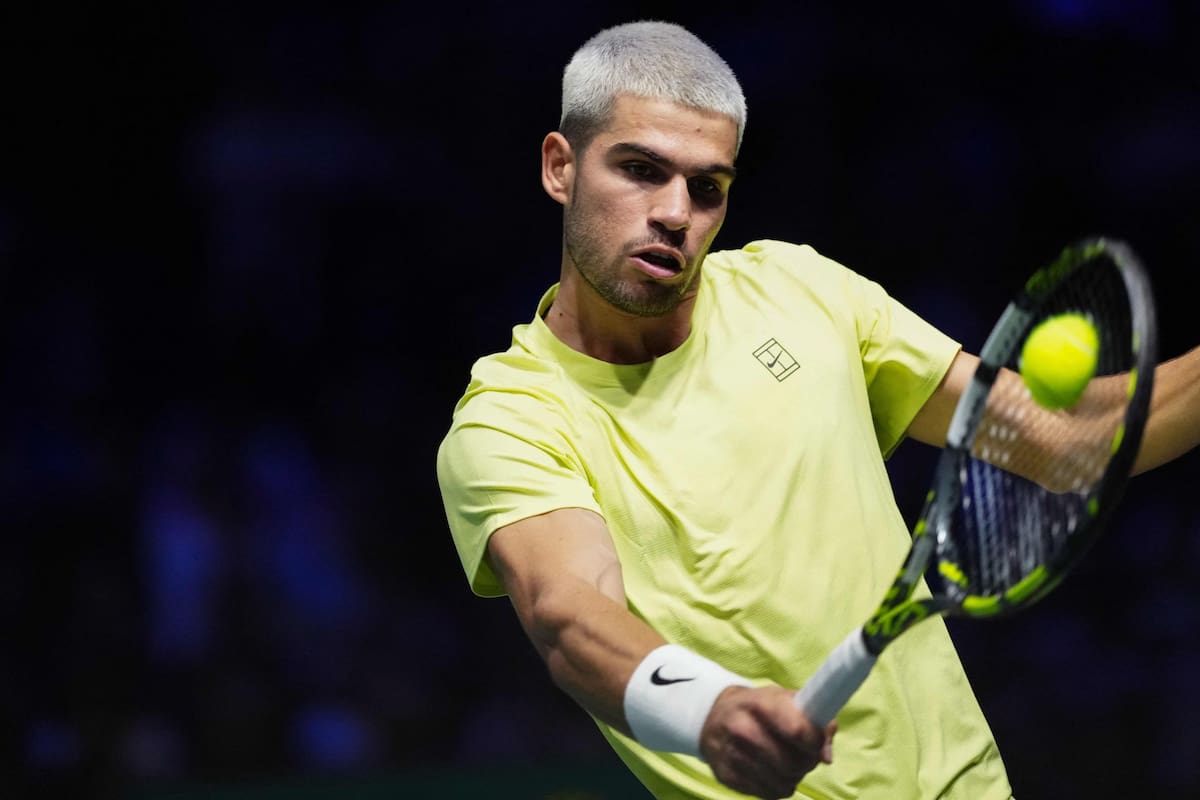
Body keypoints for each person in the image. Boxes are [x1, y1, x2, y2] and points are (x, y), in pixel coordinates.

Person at [435, 20, 1200, 800]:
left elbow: (1078, 441)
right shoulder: (512, 418)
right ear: (560, 167)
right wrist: (712, 710)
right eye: (639, 169)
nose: (674, 212)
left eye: (707, 187)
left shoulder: (801, 293)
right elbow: (572, 614)